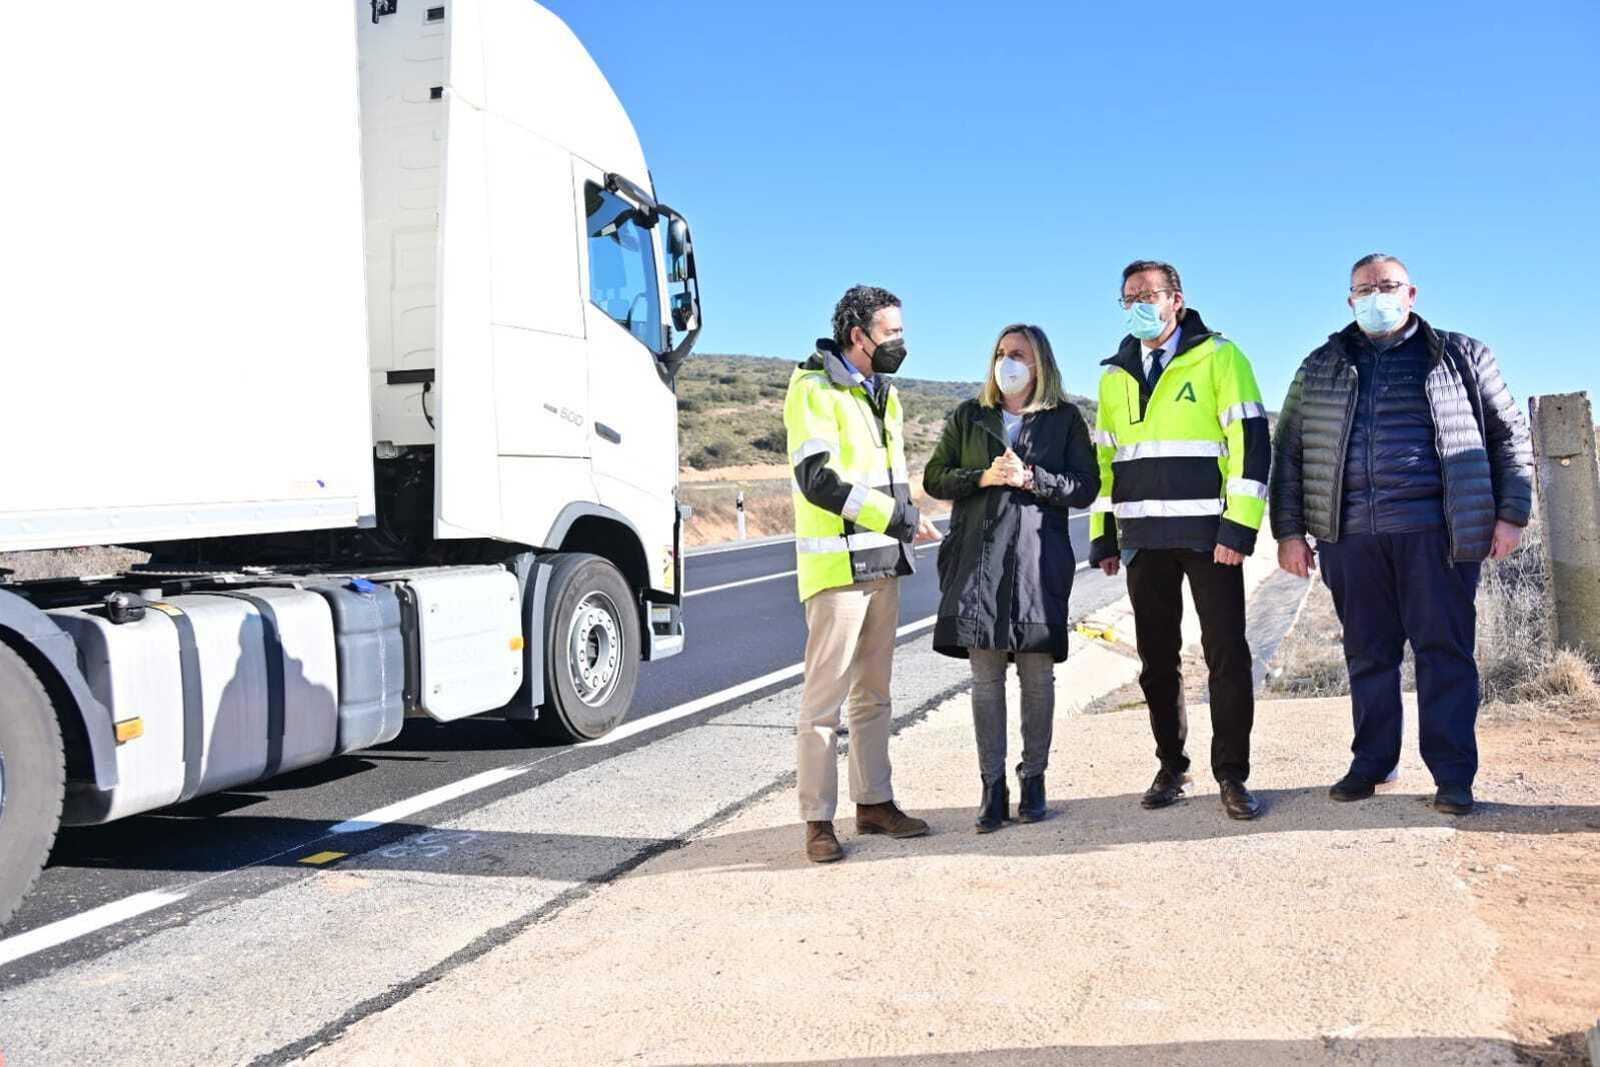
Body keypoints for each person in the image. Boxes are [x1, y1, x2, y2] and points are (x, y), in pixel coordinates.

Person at [1268, 254, 1533, 815]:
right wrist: (1289, 532)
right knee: (1368, 654)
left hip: (1437, 534)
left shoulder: (1461, 356)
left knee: (1445, 654)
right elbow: (1288, 452)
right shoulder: (1321, 365)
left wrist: (1510, 515)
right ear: (1349, 300)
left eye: (1387, 286)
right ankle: (1372, 761)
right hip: (1350, 536)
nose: (1376, 296)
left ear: (1411, 293)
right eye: (1364, 289)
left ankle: (1454, 775)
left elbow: (1509, 435)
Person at [1088, 260, 1271, 820]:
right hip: (1145, 541)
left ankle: (1231, 775)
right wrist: (1105, 536)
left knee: (1225, 655)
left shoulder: (1221, 357)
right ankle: (1172, 764)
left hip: (1208, 537)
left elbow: (1252, 446)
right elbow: (1105, 462)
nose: (1140, 304)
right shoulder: (1113, 376)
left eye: (1150, 294)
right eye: (1130, 297)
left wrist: (1238, 528)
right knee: (1155, 662)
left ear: (1177, 300)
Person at [784, 284, 943, 863]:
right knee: (823, 703)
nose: (900, 342)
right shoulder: (812, 388)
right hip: (838, 567)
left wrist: (906, 525)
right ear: (859, 336)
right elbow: (818, 481)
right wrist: (897, 518)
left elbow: (889, 476)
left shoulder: (886, 395)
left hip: (884, 565)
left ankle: (874, 804)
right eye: (891, 333)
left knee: (873, 697)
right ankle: (818, 821)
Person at [924, 324, 1098, 831]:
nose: (1007, 362)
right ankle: (991, 786)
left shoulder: (1063, 419)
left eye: (1018, 354)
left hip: (1038, 561)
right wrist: (982, 476)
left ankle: (1035, 778)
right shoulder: (969, 416)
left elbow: (1085, 486)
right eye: (1001, 353)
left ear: (1039, 363)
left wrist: (1033, 479)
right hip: (978, 561)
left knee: (1038, 678)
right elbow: (935, 476)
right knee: (985, 680)